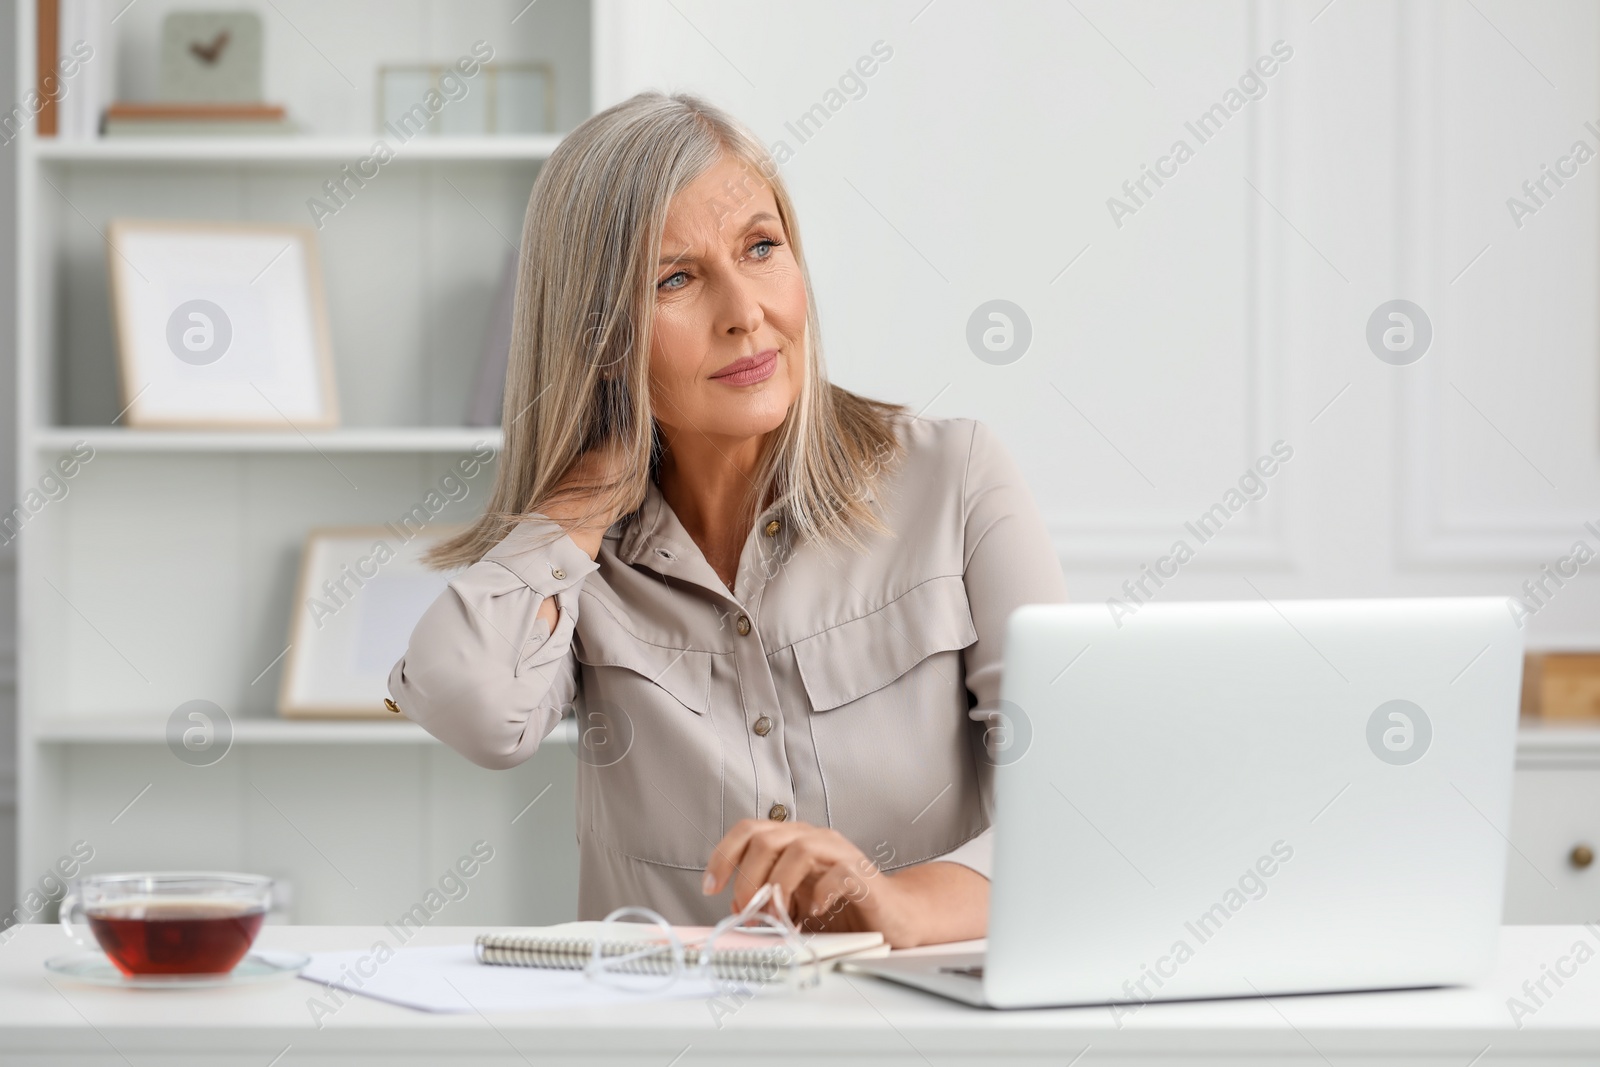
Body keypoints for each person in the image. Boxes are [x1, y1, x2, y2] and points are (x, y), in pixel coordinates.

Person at [388, 91, 1066, 948]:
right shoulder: (583, 562)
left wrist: (899, 906)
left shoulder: (954, 478)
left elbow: (1075, 796)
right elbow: (473, 708)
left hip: (914, 1023)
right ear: (599, 336)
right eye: (675, 278)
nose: (746, 311)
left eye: (761, 248)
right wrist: (591, 481)